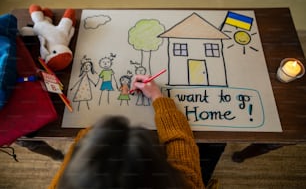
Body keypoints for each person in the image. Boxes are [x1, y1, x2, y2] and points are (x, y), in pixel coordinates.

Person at [49, 74, 205, 189]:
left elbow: (77, 155)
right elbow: (181, 145)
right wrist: (157, 96)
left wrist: (91, 135)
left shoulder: (67, 181)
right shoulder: (185, 185)